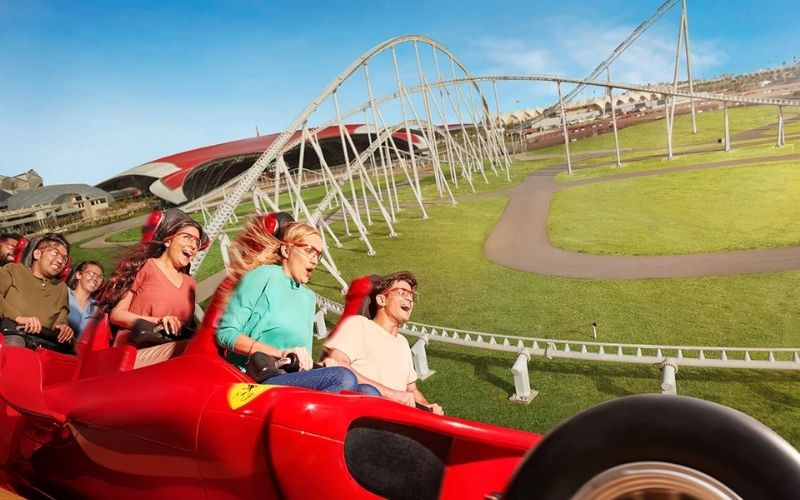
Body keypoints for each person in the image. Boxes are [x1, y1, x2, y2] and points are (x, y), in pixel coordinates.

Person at [216, 217, 362, 393]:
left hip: (287, 377)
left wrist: (323, 366)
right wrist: (280, 353)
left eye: (318, 255)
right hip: (253, 379)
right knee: (343, 378)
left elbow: (302, 358)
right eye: (309, 251)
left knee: (367, 391)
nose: (315, 261)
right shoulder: (263, 276)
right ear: (286, 250)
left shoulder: (308, 298)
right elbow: (226, 334)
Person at [323, 271, 443, 414]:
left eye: (411, 295)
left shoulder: (403, 343)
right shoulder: (360, 326)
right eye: (402, 292)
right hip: (360, 415)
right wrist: (391, 395)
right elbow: (337, 366)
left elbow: (411, 389)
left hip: (396, 422)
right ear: (381, 300)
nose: (409, 299)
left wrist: (427, 407)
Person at [96, 209, 202, 368]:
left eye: (197, 242)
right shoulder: (146, 267)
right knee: (193, 353)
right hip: (134, 353)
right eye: (187, 237)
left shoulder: (190, 284)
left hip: (170, 353)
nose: (193, 245)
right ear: (168, 241)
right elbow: (116, 315)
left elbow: (188, 328)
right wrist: (157, 321)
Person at [0, 233, 74, 348]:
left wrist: (63, 328)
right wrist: (17, 318)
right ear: (37, 254)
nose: (60, 261)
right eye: (55, 253)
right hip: (9, 337)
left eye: (64, 259)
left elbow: (61, 318)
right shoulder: (13, 270)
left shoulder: (61, 288)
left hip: (43, 345)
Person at [66, 260, 104, 340]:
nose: (95, 279)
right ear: (79, 275)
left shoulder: (98, 308)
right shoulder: (64, 293)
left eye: (100, 277)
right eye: (91, 274)